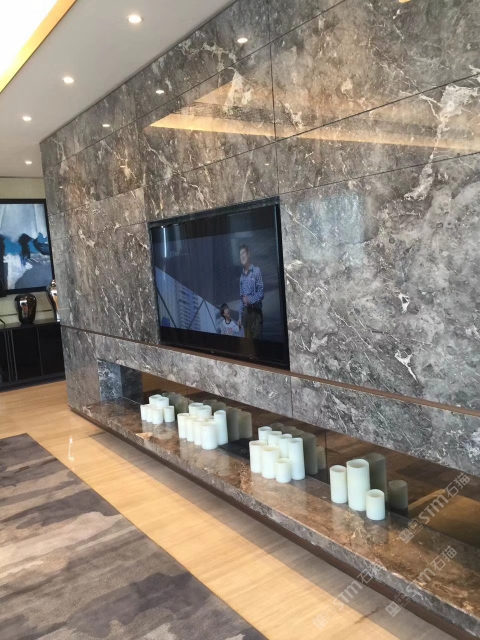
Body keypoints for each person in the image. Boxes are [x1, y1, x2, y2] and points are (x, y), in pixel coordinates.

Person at [238, 244, 264, 340]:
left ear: (248, 254)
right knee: (248, 343)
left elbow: (261, 292)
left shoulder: (256, 271)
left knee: (257, 343)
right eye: (240, 255)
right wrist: (240, 317)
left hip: (256, 313)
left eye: (243, 253)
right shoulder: (241, 277)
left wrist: (250, 300)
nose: (242, 256)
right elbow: (241, 299)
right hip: (246, 313)